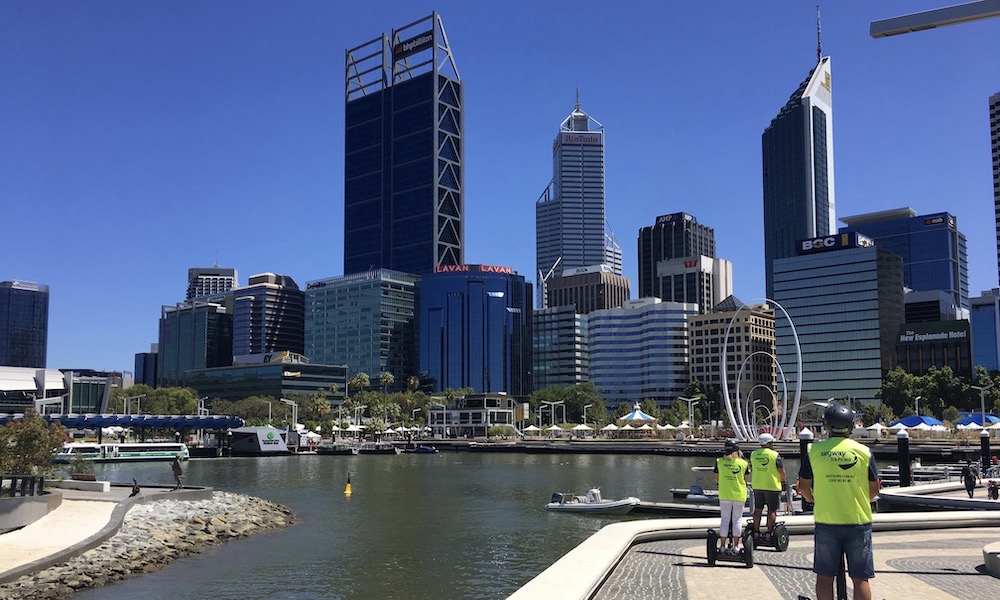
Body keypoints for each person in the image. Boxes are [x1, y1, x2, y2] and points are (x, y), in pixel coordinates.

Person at [798, 403, 879, 600]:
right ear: (851, 426)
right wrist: (861, 499)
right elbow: (874, 488)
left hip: (827, 520)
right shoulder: (864, 452)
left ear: (827, 426)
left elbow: (802, 487)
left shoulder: (813, 451)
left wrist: (814, 499)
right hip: (858, 520)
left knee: (825, 577)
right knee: (860, 579)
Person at [713, 439, 750, 555]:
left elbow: (715, 478)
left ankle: (723, 546)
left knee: (724, 520)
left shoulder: (719, 461)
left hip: (724, 494)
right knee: (737, 520)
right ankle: (736, 547)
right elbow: (746, 480)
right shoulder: (743, 463)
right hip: (739, 494)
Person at [749, 432, 786, 536]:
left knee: (758, 509)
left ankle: (756, 531)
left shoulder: (753, 454)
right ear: (769, 443)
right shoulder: (775, 455)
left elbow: (752, 468)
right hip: (772, 486)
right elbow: (781, 471)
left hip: (757, 485)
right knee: (772, 510)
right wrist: (783, 481)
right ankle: (769, 533)